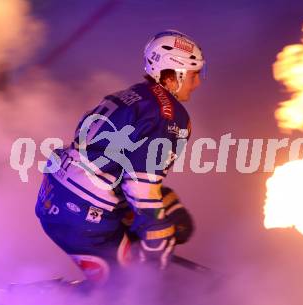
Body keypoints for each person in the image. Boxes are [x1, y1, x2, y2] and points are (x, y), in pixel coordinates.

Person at [35, 30, 205, 286]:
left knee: (167, 219)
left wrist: (162, 215)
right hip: (83, 211)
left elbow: (116, 167)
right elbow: (141, 185)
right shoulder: (169, 114)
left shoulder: (133, 94)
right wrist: (155, 236)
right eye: (194, 74)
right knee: (132, 289)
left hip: (59, 193)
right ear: (175, 75)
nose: (198, 82)